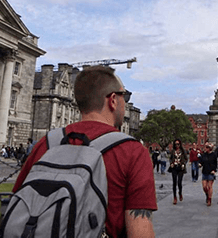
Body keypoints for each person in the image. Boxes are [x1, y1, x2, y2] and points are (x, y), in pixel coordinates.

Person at [13, 65, 156, 237]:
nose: (125, 102)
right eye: (124, 95)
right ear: (112, 100)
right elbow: (139, 229)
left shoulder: (47, 144)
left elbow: (16, 208)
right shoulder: (133, 151)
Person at [169, 138, 188, 205]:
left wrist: (183, 164)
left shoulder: (182, 151)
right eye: (176, 144)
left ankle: (180, 193)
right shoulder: (173, 151)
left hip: (180, 168)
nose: (177, 145)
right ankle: (174, 197)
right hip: (174, 167)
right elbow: (170, 158)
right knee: (174, 182)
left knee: (179, 182)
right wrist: (171, 163)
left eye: (178, 144)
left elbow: (186, 159)